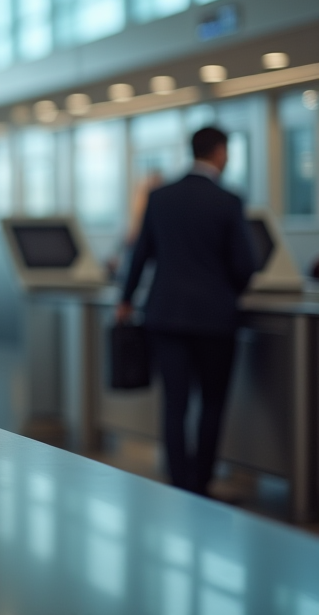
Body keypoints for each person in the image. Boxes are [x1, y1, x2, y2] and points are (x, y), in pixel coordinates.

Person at [117, 127, 256, 497]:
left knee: (174, 404)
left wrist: (126, 298)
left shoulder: (160, 197)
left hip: (165, 314)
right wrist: (228, 292)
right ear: (220, 152)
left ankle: (178, 483)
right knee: (212, 402)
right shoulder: (228, 201)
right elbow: (245, 263)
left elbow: (140, 253)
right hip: (215, 317)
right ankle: (202, 482)